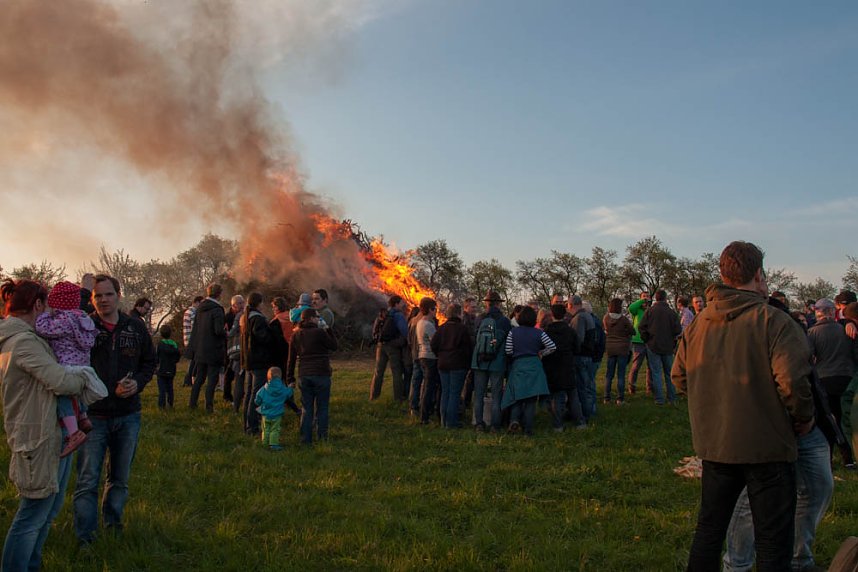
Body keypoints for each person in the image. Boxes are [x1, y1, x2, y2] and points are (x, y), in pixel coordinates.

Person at [672, 241, 814, 571]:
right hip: (768, 448)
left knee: (709, 529)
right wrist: (803, 417)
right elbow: (793, 382)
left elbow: (680, 377)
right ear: (759, 275)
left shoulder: (698, 324)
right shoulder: (774, 321)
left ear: (723, 274)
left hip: (716, 444)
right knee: (772, 539)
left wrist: (711, 404)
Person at [0, 279, 91, 571]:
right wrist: (86, 378)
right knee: (31, 516)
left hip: (50, 433)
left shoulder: (26, 338)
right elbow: (60, 381)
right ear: (37, 305)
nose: (51, 312)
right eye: (48, 305)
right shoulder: (24, 342)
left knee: (46, 512)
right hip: (37, 437)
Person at [74, 274, 156, 545]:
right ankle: (85, 538)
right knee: (87, 480)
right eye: (97, 295)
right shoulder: (84, 325)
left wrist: (137, 383)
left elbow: (149, 362)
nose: (103, 300)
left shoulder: (135, 327)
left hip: (128, 414)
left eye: (108, 294)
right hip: (92, 415)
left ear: (118, 296)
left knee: (119, 478)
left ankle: (113, 527)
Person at [34, 280, 97, 457]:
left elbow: (43, 329)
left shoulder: (64, 320)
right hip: (83, 364)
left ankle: (73, 432)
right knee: (77, 393)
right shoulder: (82, 317)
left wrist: (45, 314)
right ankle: (83, 417)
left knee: (63, 396)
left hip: (67, 365)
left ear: (57, 302)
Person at [807, 297, 857, 466]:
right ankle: (849, 457)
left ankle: (827, 459)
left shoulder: (812, 333)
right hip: (847, 376)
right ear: (832, 311)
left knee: (828, 420)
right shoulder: (844, 329)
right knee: (846, 418)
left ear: (817, 313)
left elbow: (810, 357)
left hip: (825, 379)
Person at [287, 308, 338, 445]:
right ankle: (322, 438)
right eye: (317, 317)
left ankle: (305, 439)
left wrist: (290, 378)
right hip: (321, 373)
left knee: (306, 408)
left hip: (304, 374)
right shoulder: (320, 333)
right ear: (311, 318)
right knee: (322, 407)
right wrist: (328, 329)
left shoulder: (296, 335)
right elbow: (334, 346)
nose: (319, 319)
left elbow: (291, 359)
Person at [502, 305, 555, 435]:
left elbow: (508, 350)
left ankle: (514, 420)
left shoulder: (513, 332)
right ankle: (528, 429)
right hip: (534, 365)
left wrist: (516, 354)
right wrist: (541, 353)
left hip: (518, 365)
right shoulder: (539, 332)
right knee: (531, 400)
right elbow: (552, 346)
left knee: (517, 397)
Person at [471, 291, 511, 432]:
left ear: (487, 303)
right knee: (496, 395)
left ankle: (479, 424)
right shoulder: (505, 321)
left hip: (479, 361)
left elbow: (475, 338)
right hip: (497, 363)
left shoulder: (479, 319)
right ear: (499, 304)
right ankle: (495, 425)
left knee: (479, 395)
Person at [429, 303, 473, 429]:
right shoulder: (462, 329)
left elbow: (433, 344)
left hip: (443, 364)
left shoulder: (441, 328)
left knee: (445, 392)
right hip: (458, 365)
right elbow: (468, 348)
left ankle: (444, 421)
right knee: (454, 393)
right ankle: (451, 422)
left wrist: (440, 355)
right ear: (459, 314)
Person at [187, 284, 226, 413]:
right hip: (213, 349)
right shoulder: (217, 309)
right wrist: (226, 332)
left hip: (200, 348)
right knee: (212, 379)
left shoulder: (200, 308)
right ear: (219, 294)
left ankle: (192, 403)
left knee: (199, 378)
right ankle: (209, 407)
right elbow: (218, 330)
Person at [542, 303, 581, 431]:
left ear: (551, 315)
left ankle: (558, 425)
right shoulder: (570, 331)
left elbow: (542, 349)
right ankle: (580, 422)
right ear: (565, 315)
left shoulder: (547, 332)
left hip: (552, 367)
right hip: (568, 365)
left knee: (557, 398)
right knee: (573, 396)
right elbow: (577, 348)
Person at [639, 289, 681, 405]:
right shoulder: (671, 313)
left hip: (653, 345)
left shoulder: (650, 311)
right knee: (669, 373)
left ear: (655, 298)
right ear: (665, 298)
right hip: (668, 346)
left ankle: (659, 399)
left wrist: (647, 339)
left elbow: (641, 327)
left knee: (656, 373)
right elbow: (678, 330)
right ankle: (672, 398)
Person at [240, 292, 273, 437]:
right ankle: (252, 427)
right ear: (259, 303)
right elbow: (264, 338)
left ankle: (246, 424)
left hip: (248, 361)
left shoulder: (245, 317)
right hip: (259, 360)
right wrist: (272, 332)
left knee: (249, 393)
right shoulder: (257, 319)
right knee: (256, 394)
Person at [369, 295, 408, 402]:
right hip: (393, 347)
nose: (403, 305)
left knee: (378, 371)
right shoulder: (398, 315)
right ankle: (398, 398)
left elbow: (375, 331)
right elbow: (405, 332)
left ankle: (373, 397)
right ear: (396, 304)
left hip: (380, 346)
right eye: (401, 303)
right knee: (396, 372)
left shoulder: (383, 314)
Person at [567, 295, 596, 421]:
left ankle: (584, 414)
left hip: (581, 356)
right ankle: (590, 411)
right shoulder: (588, 316)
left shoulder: (579, 318)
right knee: (588, 386)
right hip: (588, 356)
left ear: (570, 305)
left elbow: (578, 339)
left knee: (581, 388)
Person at [602, 297, 635, 404]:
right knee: (621, 375)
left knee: (609, 375)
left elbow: (607, 330)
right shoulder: (623, 319)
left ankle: (606, 398)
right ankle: (620, 399)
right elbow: (633, 331)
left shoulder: (606, 318)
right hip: (622, 348)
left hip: (610, 348)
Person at [254, 366, 294, 451]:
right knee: (275, 429)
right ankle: (273, 444)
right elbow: (288, 393)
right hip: (277, 414)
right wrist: (290, 387)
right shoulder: (282, 388)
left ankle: (265, 443)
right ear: (280, 377)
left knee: (265, 429)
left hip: (265, 414)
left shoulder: (264, 389)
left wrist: (258, 403)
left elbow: (258, 398)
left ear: (268, 377)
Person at [416, 297, 440, 424]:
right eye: (435, 309)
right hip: (430, 357)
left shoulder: (420, 322)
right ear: (430, 309)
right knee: (429, 387)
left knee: (426, 385)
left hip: (422, 355)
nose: (436, 311)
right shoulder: (428, 325)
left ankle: (425, 412)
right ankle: (424, 417)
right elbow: (435, 342)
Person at [627, 291, 653, 395]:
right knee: (636, 365)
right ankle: (632, 386)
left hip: (650, 340)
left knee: (651, 366)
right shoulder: (637, 310)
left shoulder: (651, 310)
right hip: (638, 341)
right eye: (643, 297)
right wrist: (642, 301)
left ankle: (650, 388)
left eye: (647, 297)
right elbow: (630, 308)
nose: (646, 298)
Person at [223, 294, 245, 404]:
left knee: (240, 373)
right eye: (239, 303)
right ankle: (227, 395)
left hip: (241, 348)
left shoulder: (244, 315)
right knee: (229, 373)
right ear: (233, 305)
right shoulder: (228, 317)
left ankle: (240, 394)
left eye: (242, 302)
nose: (242, 305)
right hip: (230, 348)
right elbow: (228, 333)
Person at [155, 324, 181, 409]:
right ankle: (170, 403)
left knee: (162, 389)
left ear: (161, 334)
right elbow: (178, 356)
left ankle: (161, 405)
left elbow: (156, 357)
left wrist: (156, 366)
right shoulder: (174, 344)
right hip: (171, 369)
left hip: (161, 369)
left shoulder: (160, 344)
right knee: (170, 387)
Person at [181, 296, 203, 387]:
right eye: (200, 303)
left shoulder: (187, 311)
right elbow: (195, 326)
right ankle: (188, 380)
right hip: (192, 340)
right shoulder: (193, 312)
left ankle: (189, 379)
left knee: (193, 360)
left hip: (187, 339)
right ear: (196, 302)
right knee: (194, 361)